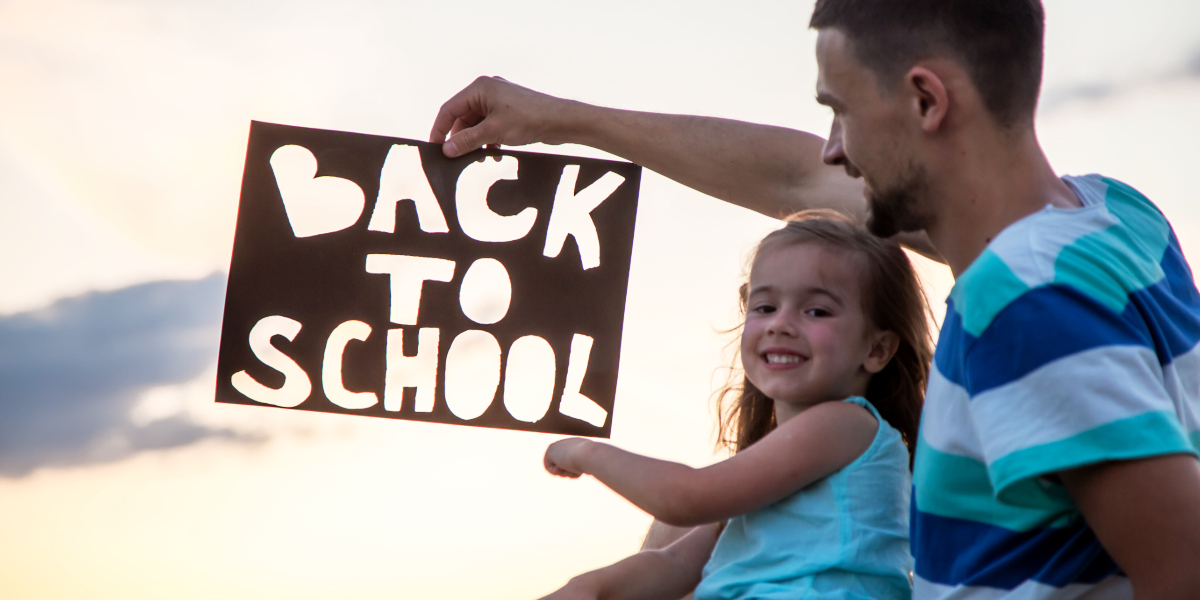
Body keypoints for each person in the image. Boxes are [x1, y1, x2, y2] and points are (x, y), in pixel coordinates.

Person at [430, 1, 1200, 598]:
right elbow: (793, 179)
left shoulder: (1023, 305)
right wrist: (564, 120)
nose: (832, 146)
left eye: (841, 110)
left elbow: (1181, 572)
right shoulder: (1116, 218)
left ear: (926, 102)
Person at [539, 212, 932, 600]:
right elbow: (675, 564)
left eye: (816, 311)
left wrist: (585, 452)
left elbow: (685, 498)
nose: (780, 324)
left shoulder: (846, 424)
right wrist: (587, 587)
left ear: (877, 349)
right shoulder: (776, 469)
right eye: (765, 307)